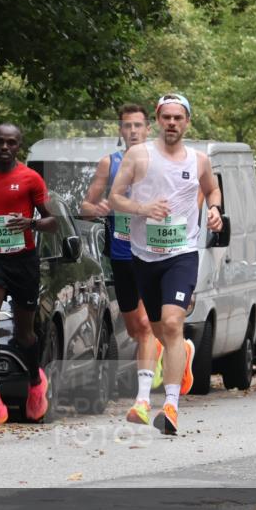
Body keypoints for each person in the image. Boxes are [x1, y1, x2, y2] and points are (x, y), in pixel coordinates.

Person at [109, 93, 223, 435]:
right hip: (144, 255)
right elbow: (115, 197)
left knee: (172, 323)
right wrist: (142, 210)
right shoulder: (138, 155)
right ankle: (179, 359)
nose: (172, 123)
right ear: (158, 120)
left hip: (182, 253)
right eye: (167, 117)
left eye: (179, 118)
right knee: (156, 330)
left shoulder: (199, 160)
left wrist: (216, 210)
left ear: (187, 122)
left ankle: (164, 404)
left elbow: (212, 190)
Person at [0, 123, 58, 432]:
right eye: (0, 142)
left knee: (23, 334)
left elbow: (52, 221)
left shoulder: (31, 179)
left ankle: (34, 381)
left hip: (23, 261)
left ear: (19, 146)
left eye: (11, 143)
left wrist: (31, 222)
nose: (5, 147)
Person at [80, 103, 163, 424]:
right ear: (120, 130)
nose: (132, 131)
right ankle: (172, 344)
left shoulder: (160, 162)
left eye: (138, 126)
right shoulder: (109, 163)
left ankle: (142, 400)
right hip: (122, 253)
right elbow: (85, 205)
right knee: (134, 326)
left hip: (154, 252)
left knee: (143, 326)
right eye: (127, 126)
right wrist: (96, 207)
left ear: (147, 129)